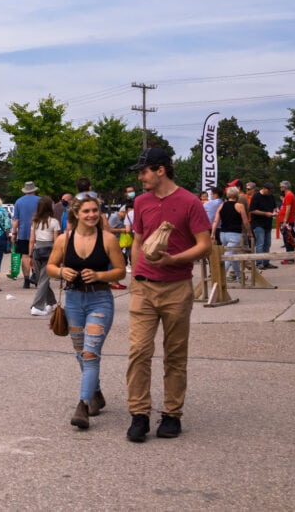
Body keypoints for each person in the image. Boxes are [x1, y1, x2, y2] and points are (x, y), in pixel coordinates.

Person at [126, 147, 212, 442]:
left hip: (177, 286)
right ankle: (139, 414)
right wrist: (136, 275)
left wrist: (174, 260)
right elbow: (138, 239)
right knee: (139, 351)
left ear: (160, 170)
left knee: (175, 354)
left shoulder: (190, 202)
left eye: (144, 171)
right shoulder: (141, 202)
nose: (140, 177)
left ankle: (172, 415)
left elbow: (205, 245)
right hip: (144, 288)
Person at [47, 195, 126, 430]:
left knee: (91, 354)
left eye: (95, 211)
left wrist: (101, 275)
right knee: (81, 352)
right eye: (86, 211)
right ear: (76, 214)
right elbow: (51, 266)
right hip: (73, 300)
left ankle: (82, 405)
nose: (92, 215)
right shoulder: (64, 239)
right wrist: (62, 273)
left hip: (100, 300)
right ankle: (95, 393)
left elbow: (121, 271)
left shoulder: (109, 239)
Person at [211, 186, 252, 283]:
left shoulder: (221, 206)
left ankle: (239, 276)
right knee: (228, 256)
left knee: (233, 255)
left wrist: (213, 233)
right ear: (237, 195)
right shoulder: (239, 206)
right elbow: (245, 222)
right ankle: (219, 277)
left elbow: (216, 221)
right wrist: (249, 232)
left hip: (223, 234)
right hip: (234, 234)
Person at [28, 196, 60, 316]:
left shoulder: (35, 222)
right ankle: (36, 306)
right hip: (49, 252)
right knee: (43, 280)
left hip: (36, 251)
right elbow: (56, 241)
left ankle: (50, 302)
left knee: (40, 279)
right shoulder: (54, 222)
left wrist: (30, 256)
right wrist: (59, 256)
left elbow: (32, 240)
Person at [11, 181, 40, 287]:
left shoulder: (19, 202)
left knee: (25, 256)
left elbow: (16, 220)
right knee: (36, 256)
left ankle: (26, 280)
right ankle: (36, 277)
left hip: (23, 233)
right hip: (38, 233)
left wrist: (14, 233)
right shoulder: (40, 201)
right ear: (34, 190)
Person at [249, 183, 278, 270]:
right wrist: (265, 213)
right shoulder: (256, 196)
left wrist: (275, 212)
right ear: (264, 189)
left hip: (268, 223)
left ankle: (266, 262)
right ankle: (259, 262)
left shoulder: (271, 196)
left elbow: (274, 207)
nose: (269, 193)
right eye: (268, 191)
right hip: (258, 223)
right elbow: (252, 210)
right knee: (260, 243)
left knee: (267, 243)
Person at [277, 181, 295, 265]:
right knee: (288, 239)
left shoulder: (289, 195)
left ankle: (290, 258)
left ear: (285, 187)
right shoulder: (288, 195)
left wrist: (285, 221)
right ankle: (290, 257)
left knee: (288, 240)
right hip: (288, 220)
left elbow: (288, 209)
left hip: (288, 221)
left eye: (281, 187)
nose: (280, 188)